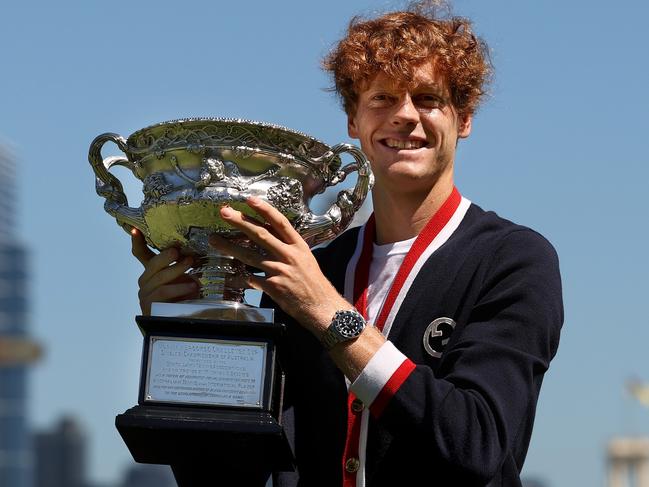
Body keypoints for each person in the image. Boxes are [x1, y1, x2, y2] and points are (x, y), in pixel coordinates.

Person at [132, 3, 563, 486]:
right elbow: (227, 476)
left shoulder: (512, 260)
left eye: (427, 98)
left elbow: (475, 443)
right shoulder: (310, 270)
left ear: (463, 119)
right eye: (381, 98)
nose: (405, 117)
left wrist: (327, 314)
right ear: (353, 122)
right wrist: (182, 330)